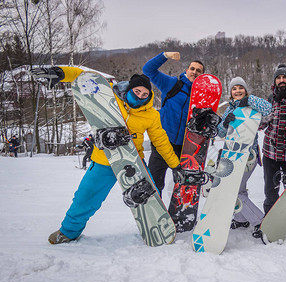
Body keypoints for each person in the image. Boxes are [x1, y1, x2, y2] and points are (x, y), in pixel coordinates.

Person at [30, 66, 180, 244]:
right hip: (104, 160)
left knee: (148, 198)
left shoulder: (151, 115)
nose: (140, 96)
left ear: (149, 96)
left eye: (144, 94)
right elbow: (86, 77)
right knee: (86, 197)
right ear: (129, 88)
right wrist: (62, 74)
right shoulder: (110, 97)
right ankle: (69, 231)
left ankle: (159, 230)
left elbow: (161, 141)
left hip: (133, 163)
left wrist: (175, 164)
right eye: (137, 91)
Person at [142, 52, 205, 217]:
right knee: (155, 182)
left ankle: (179, 216)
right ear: (187, 70)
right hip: (163, 143)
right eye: (192, 68)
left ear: (202, 76)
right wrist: (164, 55)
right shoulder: (172, 84)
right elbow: (148, 70)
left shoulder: (202, 96)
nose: (195, 72)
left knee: (183, 185)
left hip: (185, 147)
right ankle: (155, 216)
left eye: (199, 71)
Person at [217, 77, 272, 230]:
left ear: (245, 90)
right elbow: (220, 132)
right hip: (233, 155)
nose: (238, 91)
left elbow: (268, 108)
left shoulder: (252, 105)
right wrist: (225, 123)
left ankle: (260, 222)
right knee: (239, 189)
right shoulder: (229, 109)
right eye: (234, 89)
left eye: (241, 88)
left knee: (233, 190)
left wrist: (249, 100)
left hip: (249, 156)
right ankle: (241, 219)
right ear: (231, 92)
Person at [256, 64, 286, 237]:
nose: (281, 80)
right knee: (270, 189)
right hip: (271, 151)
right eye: (278, 78)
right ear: (275, 81)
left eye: (284, 77)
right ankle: (269, 219)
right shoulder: (270, 98)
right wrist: (256, 118)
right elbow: (262, 124)